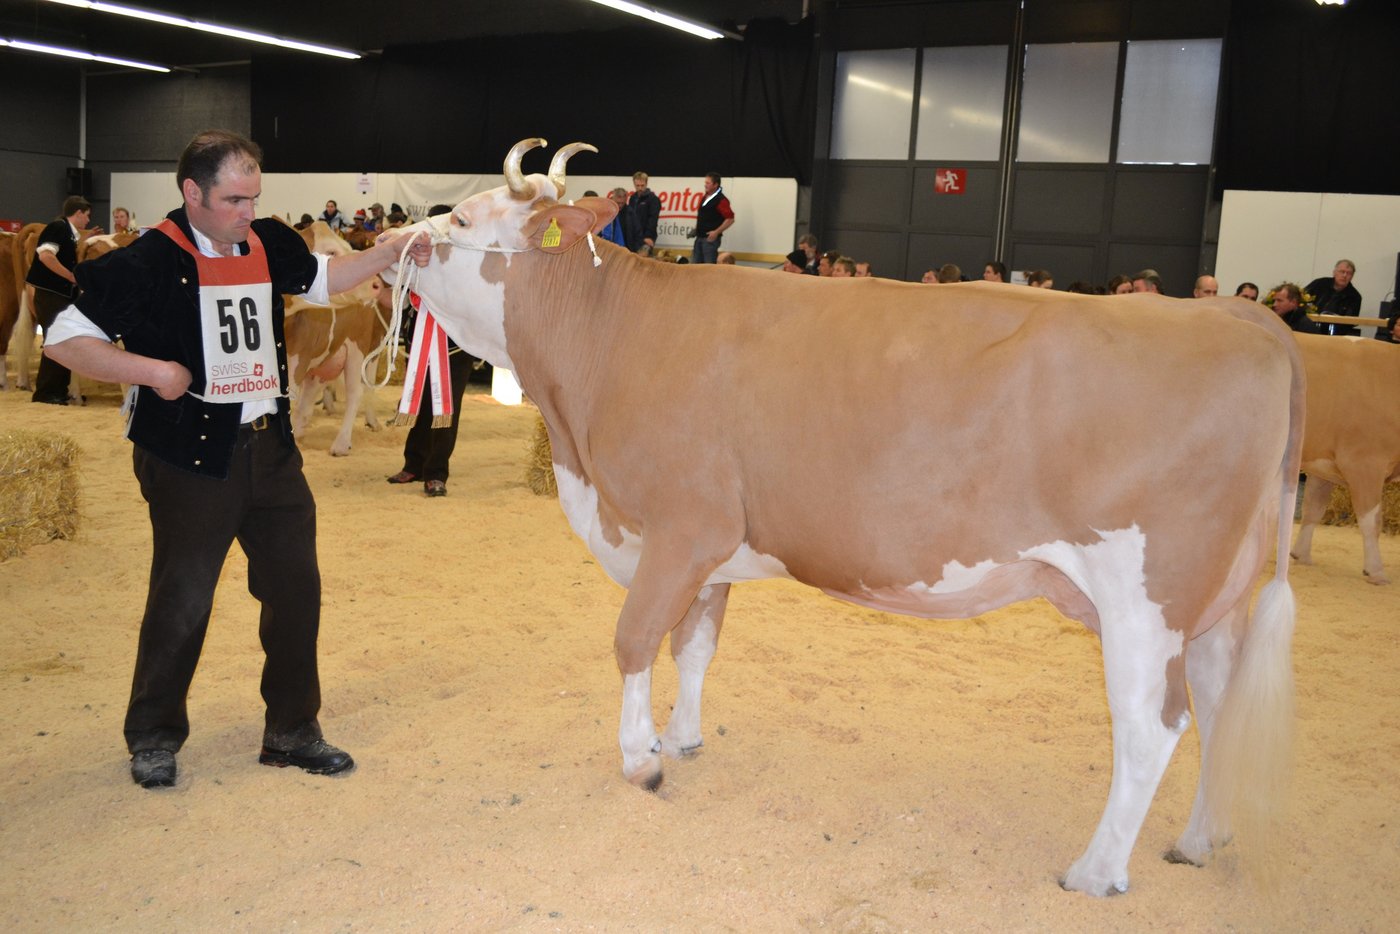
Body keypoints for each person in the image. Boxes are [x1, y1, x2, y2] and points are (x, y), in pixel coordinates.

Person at [41, 129, 432, 790]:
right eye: (233, 200)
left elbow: (322, 278)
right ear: (192, 193)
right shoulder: (148, 259)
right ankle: (154, 735)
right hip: (188, 457)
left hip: (270, 449)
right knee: (183, 596)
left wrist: (390, 250)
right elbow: (63, 339)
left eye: (254, 197)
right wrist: (151, 371)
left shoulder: (266, 241)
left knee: (295, 590)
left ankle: (292, 729)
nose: (248, 211)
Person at [387, 203, 475, 498]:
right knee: (419, 403)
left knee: (445, 407)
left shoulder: (467, 261)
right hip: (419, 342)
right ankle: (413, 464)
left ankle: (436, 472)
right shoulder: (414, 256)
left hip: (454, 347)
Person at [27, 195, 91, 405]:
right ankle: (46, 393)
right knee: (55, 341)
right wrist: (71, 276)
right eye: (87, 215)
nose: (88, 220)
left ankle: (58, 391)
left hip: (58, 295)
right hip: (51, 295)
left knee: (61, 340)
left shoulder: (67, 232)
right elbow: (46, 255)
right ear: (78, 213)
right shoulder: (58, 227)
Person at [1305, 259, 1362, 336]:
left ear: (1352, 276)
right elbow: (1302, 298)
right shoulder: (1319, 284)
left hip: (1336, 333)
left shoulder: (1355, 297)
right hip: (1309, 326)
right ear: (1334, 272)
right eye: (1342, 271)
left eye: (1349, 273)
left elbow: (1351, 322)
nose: (1344, 275)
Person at [691, 172, 733, 264]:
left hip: (710, 241)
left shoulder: (721, 200)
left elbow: (730, 219)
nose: (705, 185)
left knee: (709, 267)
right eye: (705, 183)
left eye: (708, 183)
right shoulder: (706, 196)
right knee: (694, 267)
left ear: (715, 185)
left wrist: (716, 232)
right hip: (699, 237)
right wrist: (697, 229)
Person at [628, 172, 660, 255]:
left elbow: (653, 219)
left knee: (643, 259)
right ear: (634, 184)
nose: (640, 188)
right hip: (633, 236)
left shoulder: (653, 199)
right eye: (637, 186)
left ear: (646, 184)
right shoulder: (632, 198)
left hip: (646, 236)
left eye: (642, 185)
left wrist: (648, 236)